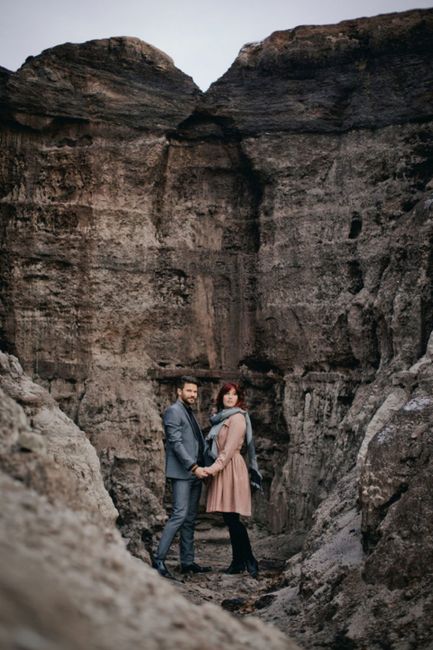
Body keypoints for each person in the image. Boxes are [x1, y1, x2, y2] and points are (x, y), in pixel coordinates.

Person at [152, 376, 211, 579]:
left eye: (195, 392)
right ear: (179, 391)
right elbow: (175, 444)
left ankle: (187, 562)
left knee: (190, 519)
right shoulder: (173, 411)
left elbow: (194, 441)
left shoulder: (188, 412)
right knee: (179, 514)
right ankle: (158, 559)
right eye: (189, 391)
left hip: (195, 472)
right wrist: (194, 467)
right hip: (184, 472)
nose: (193, 395)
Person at [202, 382, 262, 578]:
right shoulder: (220, 419)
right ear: (221, 397)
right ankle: (239, 562)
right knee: (230, 519)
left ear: (238, 398)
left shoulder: (237, 418)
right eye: (226, 394)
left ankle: (249, 561)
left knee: (233, 519)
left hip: (231, 468)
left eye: (234, 394)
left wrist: (211, 469)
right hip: (224, 468)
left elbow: (227, 452)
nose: (230, 397)